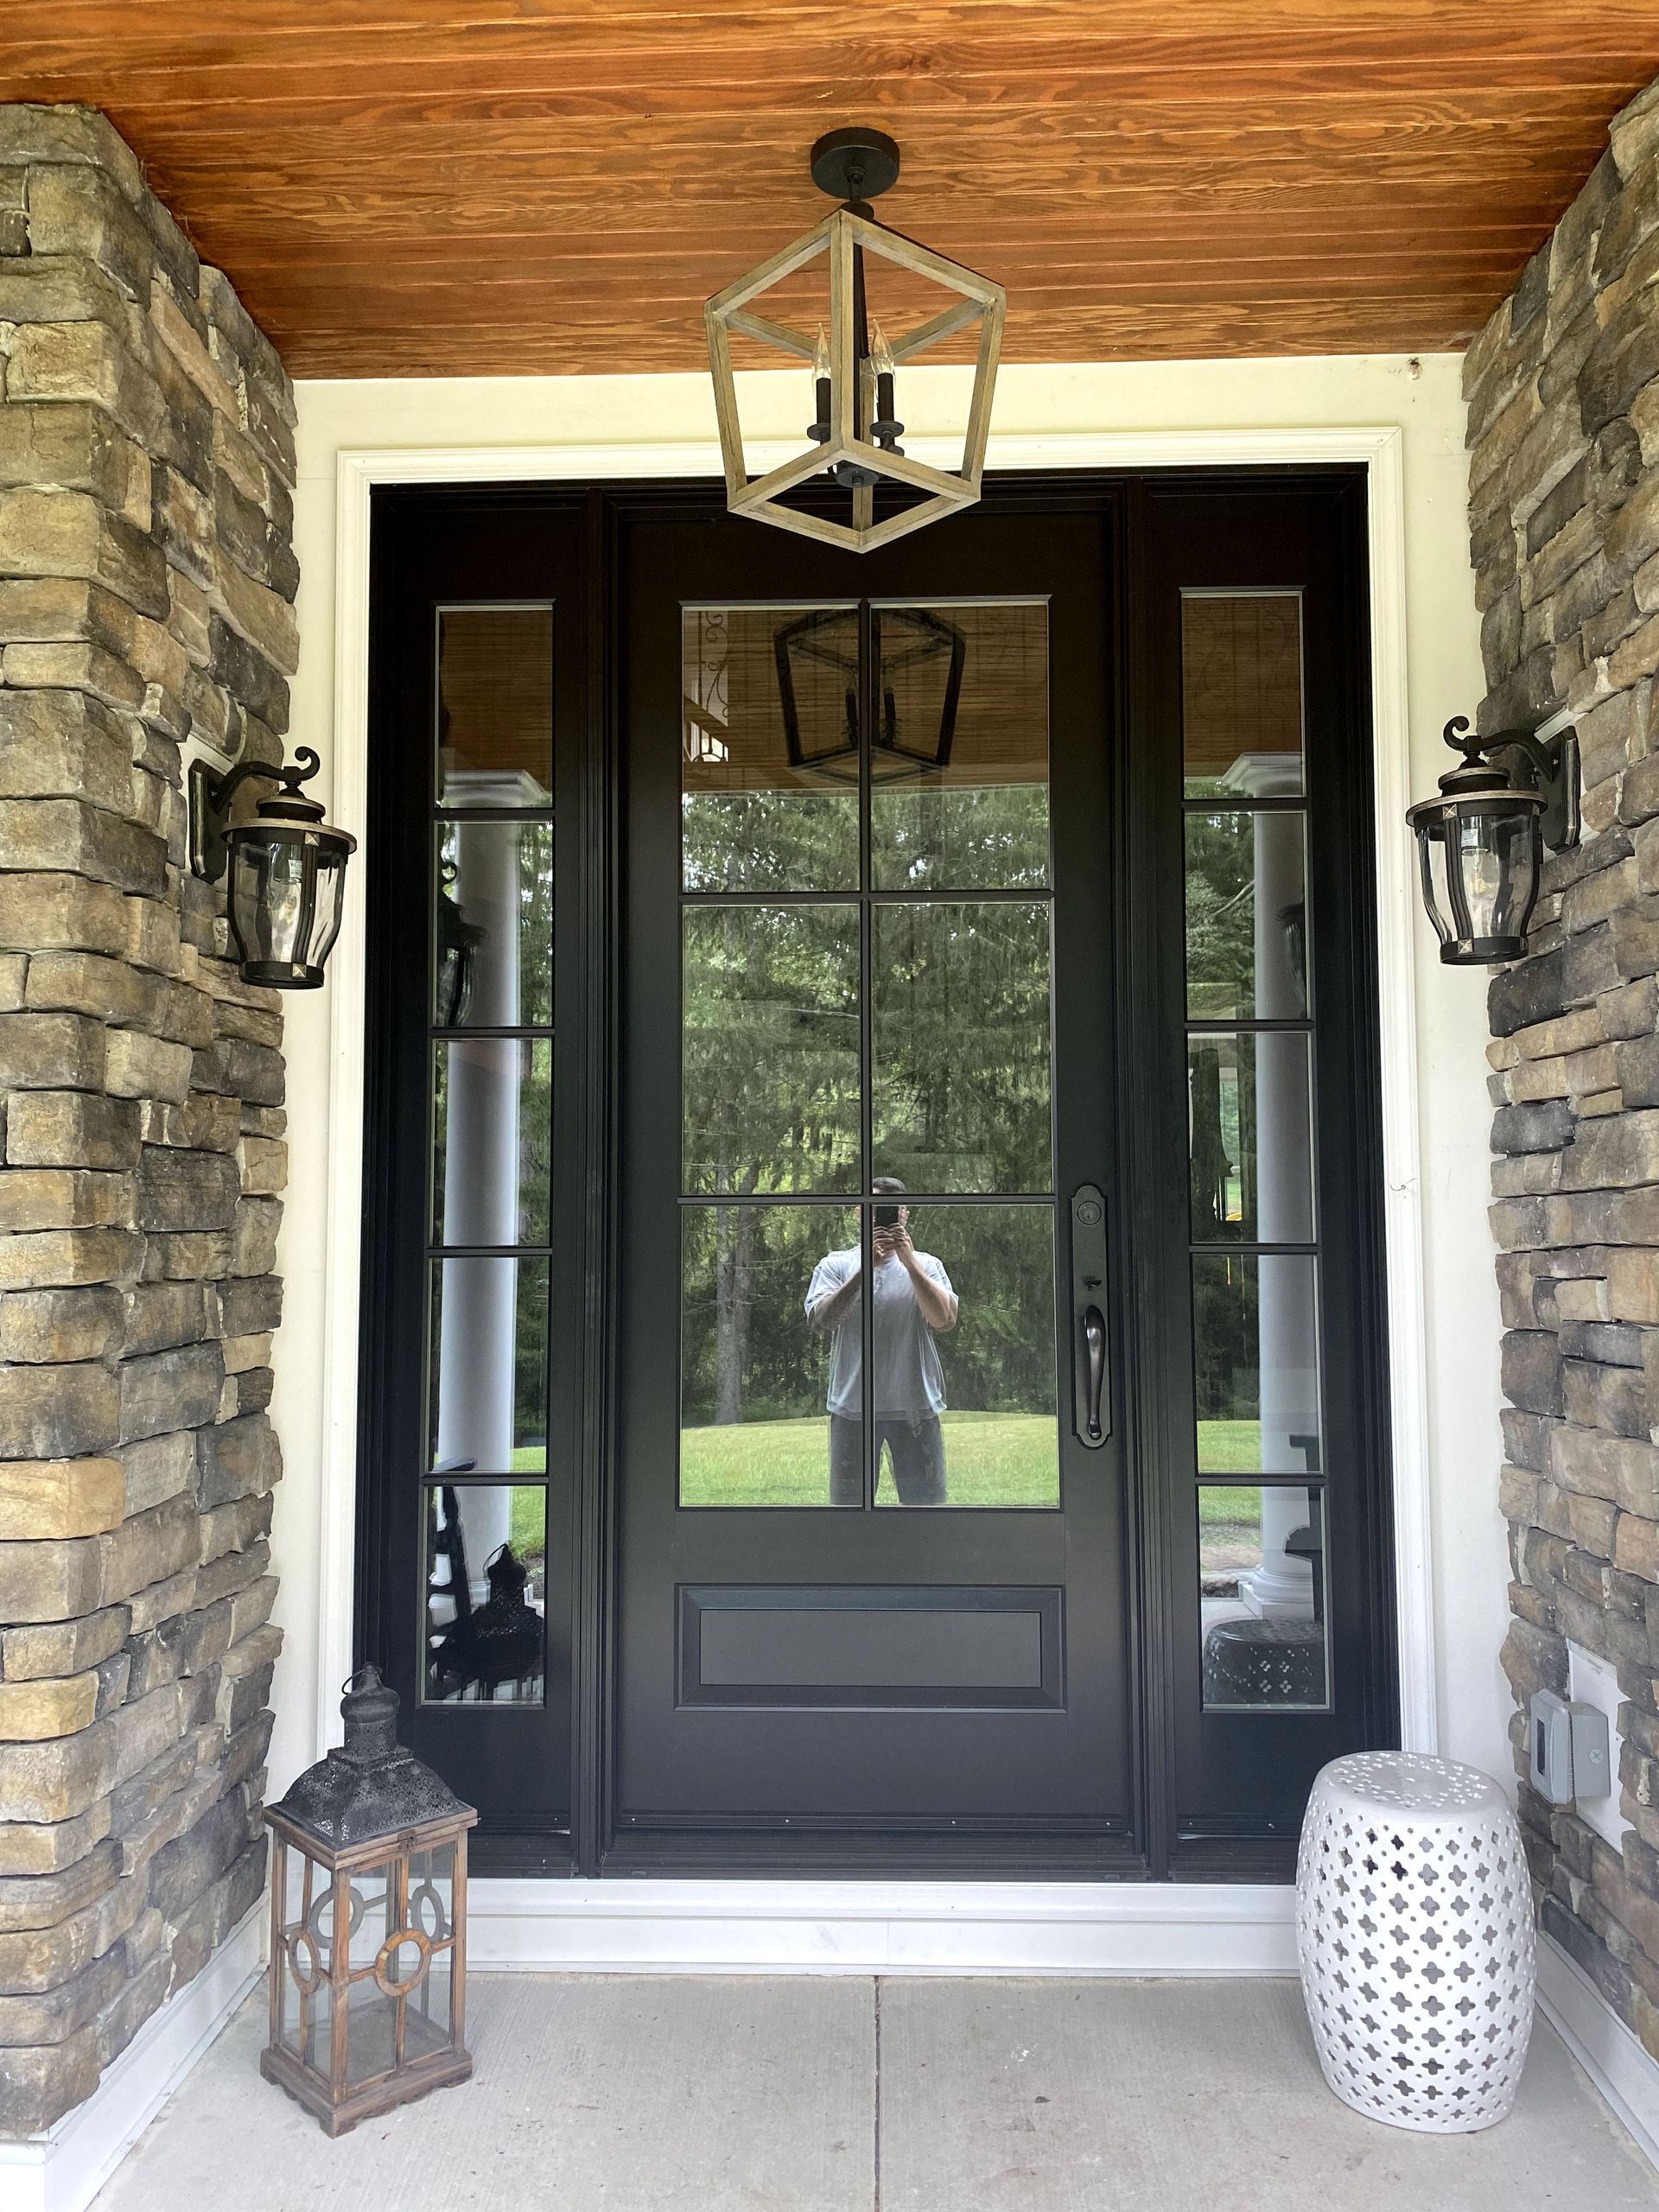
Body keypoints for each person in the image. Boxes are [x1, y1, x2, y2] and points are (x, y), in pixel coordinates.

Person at [805, 1177, 958, 1506]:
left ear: (905, 1215)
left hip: (917, 1406)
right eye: (874, 1209)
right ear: (859, 1214)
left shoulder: (928, 1265)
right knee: (849, 1512)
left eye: (891, 1210)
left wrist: (910, 1263)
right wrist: (864, 1270)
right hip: (852, 1408)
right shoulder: (835, 1265)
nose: (882, 1217)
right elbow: (822, 1321)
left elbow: (944, 1320)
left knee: (926, 1512)